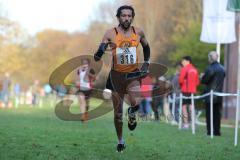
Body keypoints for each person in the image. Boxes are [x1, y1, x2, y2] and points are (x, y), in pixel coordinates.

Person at [94, 5, 150, 152]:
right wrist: (99, 53)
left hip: (132, 74)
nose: (127, 18)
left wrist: (147, 62)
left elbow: (146, 47)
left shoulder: (138, 32)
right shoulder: (110, 33)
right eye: (124, 15)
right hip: (116, 76)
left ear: (132, 17)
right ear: (118, 17)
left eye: (129, 16)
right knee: (117, 113)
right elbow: (101, 47)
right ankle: (120, 140)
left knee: (136, 101)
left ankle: (132, 112)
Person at [201, 51, 225, 136]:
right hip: (219, 95)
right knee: (217, 114)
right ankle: (217, 131)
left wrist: (202, 77)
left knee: (209, 114)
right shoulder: (222, 68)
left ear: (210, 58)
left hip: (210, 95)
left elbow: (204, 80)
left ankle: (209, 131)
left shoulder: (210, 68)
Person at [179, 56, 199, 129]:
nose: (182, 62)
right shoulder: (195, 69)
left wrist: (182, 85)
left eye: (183, 61)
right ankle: (193, 122)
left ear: (188, 61)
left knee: (184, 107)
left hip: (185, 90)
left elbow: (180, 80)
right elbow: (197, 82)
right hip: (193, 90)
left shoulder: (184, 69)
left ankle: (186, 124)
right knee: (192, 106)